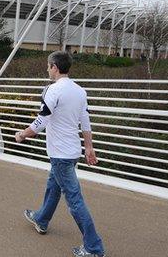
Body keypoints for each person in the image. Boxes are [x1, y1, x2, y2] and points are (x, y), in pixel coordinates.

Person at [14, 51, 105, 257]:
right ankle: (41, 219)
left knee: (74, 200)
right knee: (53, 186)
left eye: (48, 66)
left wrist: (22, 135)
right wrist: (89, 147)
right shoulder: (80, 91)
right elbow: (86, 121)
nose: (47, 70)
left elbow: (41, 121)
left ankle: (93, 248)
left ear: (54, 66)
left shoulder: (53, 91)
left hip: (60, 154)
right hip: (72, 151)